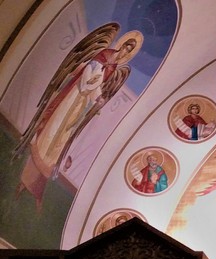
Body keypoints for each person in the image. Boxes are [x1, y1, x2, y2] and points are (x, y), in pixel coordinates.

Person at [12, 24, 140, 210]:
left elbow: (96, 87)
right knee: (51, 132)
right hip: (72, 97)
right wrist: (95, 94)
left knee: (59, 142)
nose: (124, 53)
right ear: (121, 45)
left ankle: (36, 187)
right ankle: (24, 180)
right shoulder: (103, 56)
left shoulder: (112, 67)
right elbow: (86, 79)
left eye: (128, 51)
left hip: (80, 106)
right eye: (125, 48)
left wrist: (98, 99)